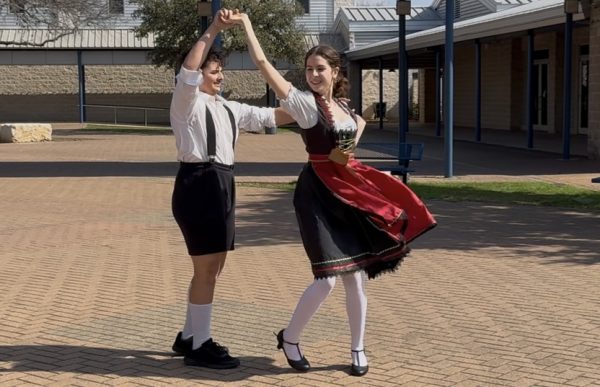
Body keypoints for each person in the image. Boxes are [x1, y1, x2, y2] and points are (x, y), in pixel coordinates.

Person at [224, 10, 437, 376]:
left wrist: (351, 146)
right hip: (317, 193)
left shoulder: (345, 108)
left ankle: (357, 349)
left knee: (355, 276)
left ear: (336, 72)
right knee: (326, 277)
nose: (313, 74)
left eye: (319, 68)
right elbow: (262, 63)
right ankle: (290, 338)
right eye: (309, 69)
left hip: (348, 192)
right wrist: (245, 25)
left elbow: (358, 125)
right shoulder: (306, 105)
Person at [169, 10, 293, 369]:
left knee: (213, 267)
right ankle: (201, 346)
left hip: (222, 183)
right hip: (199, 184)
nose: (219, 76)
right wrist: (214, 29)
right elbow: (189, 71)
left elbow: (272, 117)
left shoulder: (228, 108)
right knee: (206, 268)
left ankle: (189, 336)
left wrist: (311, 103)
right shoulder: (185, 102)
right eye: (213, 71)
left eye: (220, 70)